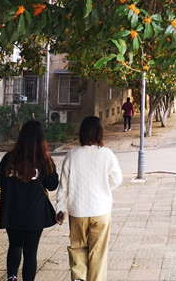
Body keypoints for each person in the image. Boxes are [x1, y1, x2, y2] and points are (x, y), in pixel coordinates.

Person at [56, 116, 123, 281]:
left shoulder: (72, 155)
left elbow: (63, 186)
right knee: (98, 253)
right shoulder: (107, 154)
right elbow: (117, 179)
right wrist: (103, 187)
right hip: (101, 210)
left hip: (77, 211)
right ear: (101, 132)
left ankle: (79, 278)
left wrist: (60, 208)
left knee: (77, 249)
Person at [0, 120, 59, 281]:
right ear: (41, 139)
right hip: (34, 214)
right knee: (31, 252)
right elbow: (52, 185)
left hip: (12, 211)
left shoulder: (9, 158)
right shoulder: (44, 160)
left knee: (15, 244)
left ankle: (11, 277)